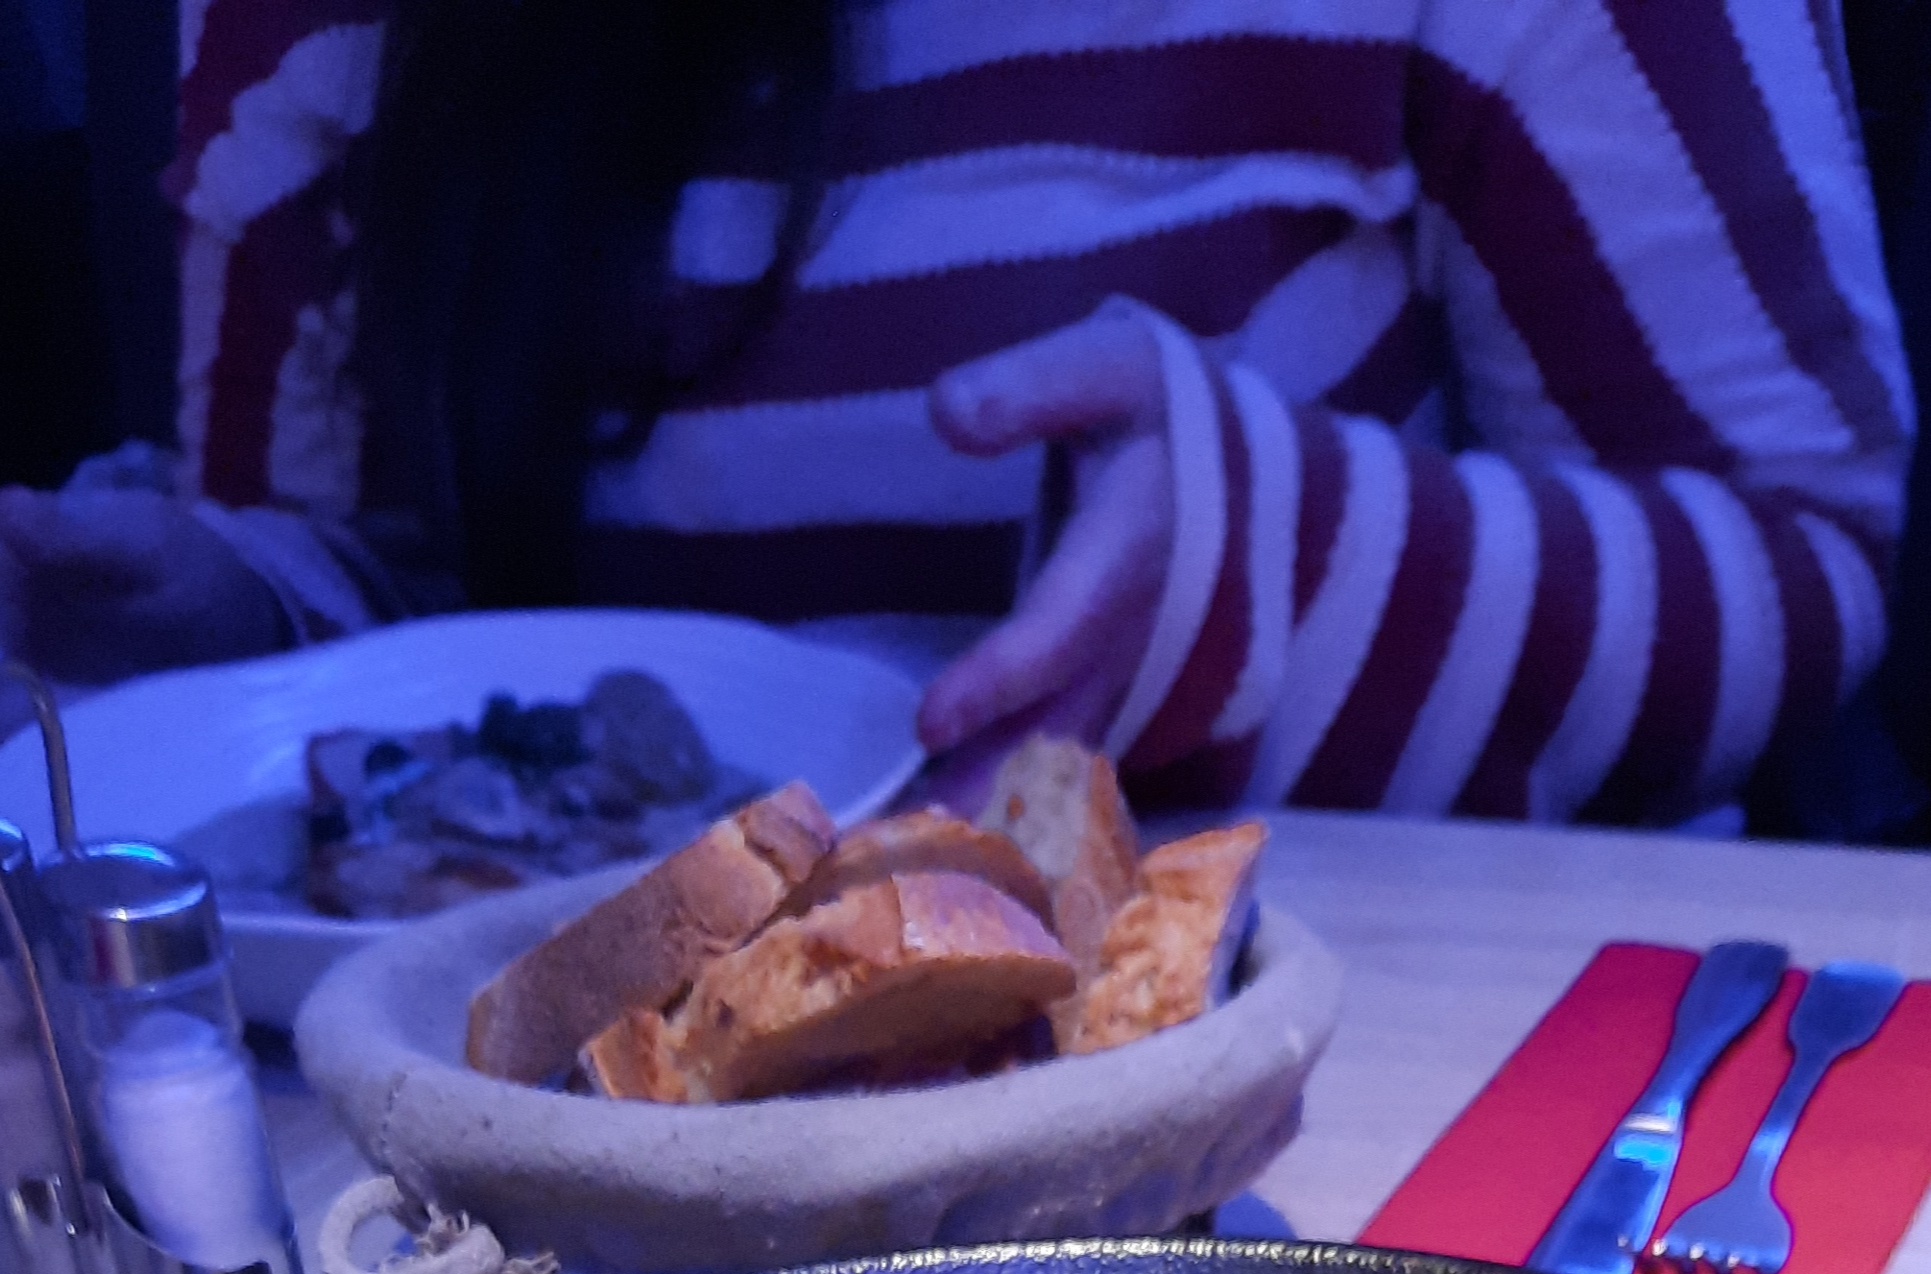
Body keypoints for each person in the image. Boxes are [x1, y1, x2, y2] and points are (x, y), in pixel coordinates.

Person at [0, 1, 1911, 825]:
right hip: (535, 1149)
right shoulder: (312, 32)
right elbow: (406, 604)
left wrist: (1278, 572)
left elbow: (1816, 562)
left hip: (1337, 1066)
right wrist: (229, 628)